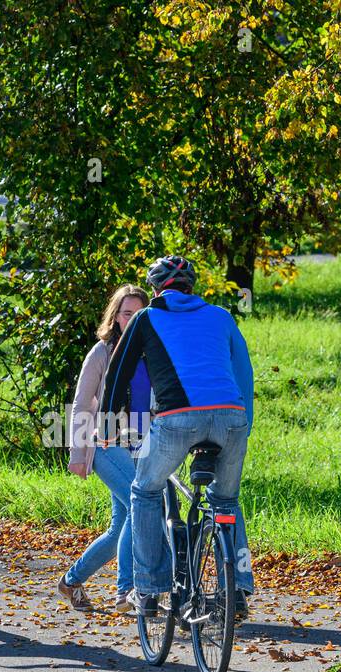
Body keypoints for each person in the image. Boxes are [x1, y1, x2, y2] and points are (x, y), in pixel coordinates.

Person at [99, 255, 255, 620]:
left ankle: (150, 590)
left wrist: (107, 427)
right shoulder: (221, 316)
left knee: (144, 491)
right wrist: (243, 424)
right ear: (192, 288)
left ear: (155, 290)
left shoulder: (146, 317)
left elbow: (118, 374)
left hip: (176, 420)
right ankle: (236, 591)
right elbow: (243, 374)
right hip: (231, 419)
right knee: (225, 501)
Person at [59, 284, 151, 615]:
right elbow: (82, 404)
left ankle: (71, 581)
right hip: (106, 445)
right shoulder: (102, 352)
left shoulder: (149, 350)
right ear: (116, 316)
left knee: (120, 526)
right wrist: (78, 454)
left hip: (142, 446)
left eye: (139, 313)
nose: (133, 319)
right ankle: (126, 591)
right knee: (140, 506)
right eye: (127, 313)